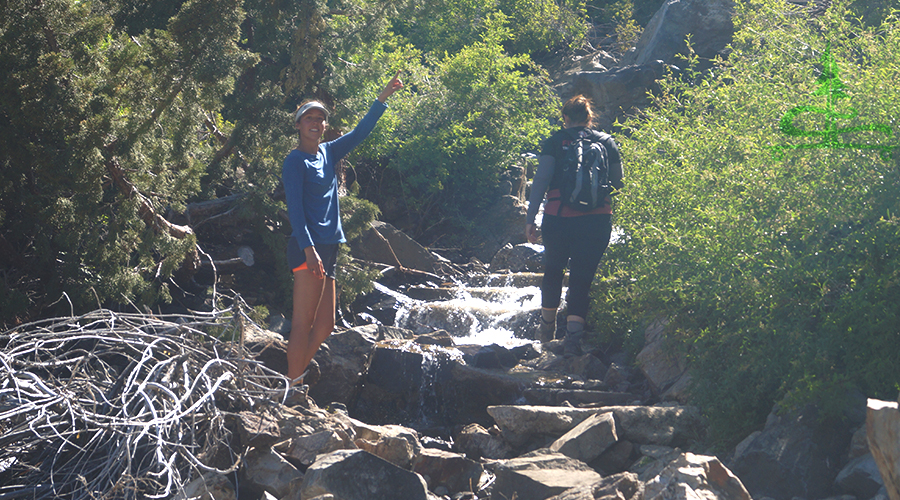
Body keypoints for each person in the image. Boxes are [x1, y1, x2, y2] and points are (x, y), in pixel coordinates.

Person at [283, 71, 403, 388]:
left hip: (329, 247)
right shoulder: (294, 161)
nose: (315, 123)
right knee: (302, 323)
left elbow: (361, 132)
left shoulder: (328, 152)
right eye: (309, 118)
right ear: (298, 125)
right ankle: (292, 388)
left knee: (325, 325)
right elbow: (295, 210)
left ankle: (291, 379)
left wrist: (381, 99)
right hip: (308, 247)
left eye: (320, 119)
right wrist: (309, 251)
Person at [525, 95, 624, 356]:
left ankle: (547, 331)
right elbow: (619, 184)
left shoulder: (555, 142)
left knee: (554, 270)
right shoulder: (606, 142)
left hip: (558, 218)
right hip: (596, 220)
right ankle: (572, 341)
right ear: (589, 118)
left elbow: (541, 181)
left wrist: (530, 218)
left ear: (565, 118)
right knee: (581, 279)